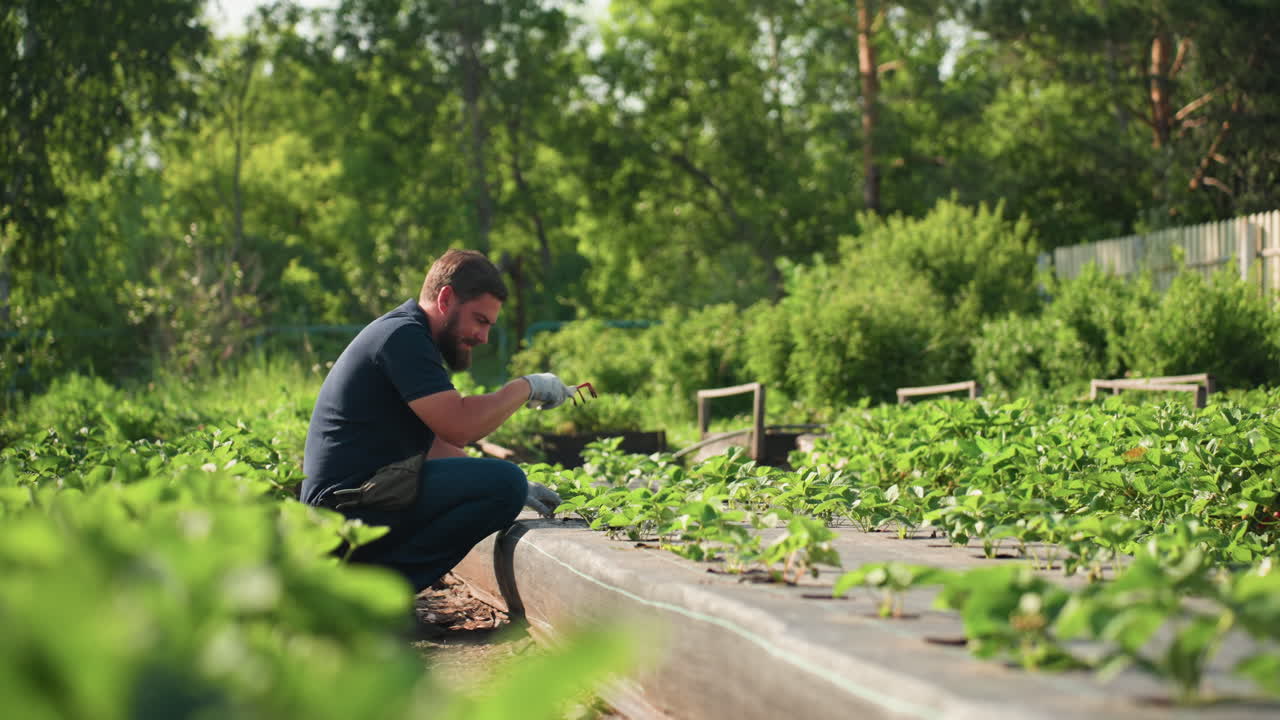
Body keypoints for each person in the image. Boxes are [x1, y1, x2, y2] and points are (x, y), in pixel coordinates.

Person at [301, 249, 577, 593]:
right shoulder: (402, 337)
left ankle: (367, 589)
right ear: (446, 299)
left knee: (505, 483)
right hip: (343, 510)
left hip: (359, 502)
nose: (484, 337)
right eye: (480, 320)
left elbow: (436, 444)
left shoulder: (408, 335)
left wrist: (519, 489)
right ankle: (375, 593)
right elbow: (460, 425)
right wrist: (526, 387)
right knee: (505, 482)